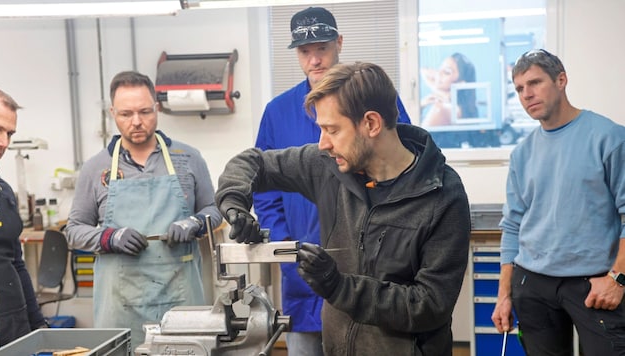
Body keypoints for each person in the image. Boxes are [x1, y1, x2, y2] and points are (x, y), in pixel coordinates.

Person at [216, 62, 471, 355]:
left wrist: (339, 287)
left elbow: (429, 305)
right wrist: (235, 202)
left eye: (332, 130)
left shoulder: (442, 196)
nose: (323, 144)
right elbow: (253, 163)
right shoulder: (330, 169)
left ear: (372, 124)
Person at [253, 7, 412, 355]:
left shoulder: (377, 101)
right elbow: (264, 192)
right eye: (304, 51)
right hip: (303, 269)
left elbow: (404, 171)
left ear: (339, 43)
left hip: (368, 268)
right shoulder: (277, 112)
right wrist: (286, 249)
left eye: (321, 48)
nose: (314, 60)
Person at [65, 71, 223, 348]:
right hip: (120, 307)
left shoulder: (188, 158)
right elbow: (74, 231)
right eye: (126, 114)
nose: (136, 122)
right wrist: (109, 238)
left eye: (145, 112)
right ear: (113, 113)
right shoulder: (94, 168)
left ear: (157, 109)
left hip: (181, 299)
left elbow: (214, 210)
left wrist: (195, 223)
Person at [491, 49, 625, 354]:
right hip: (533, 285)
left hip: (594, 285)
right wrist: (505, 294)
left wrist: (618, 279)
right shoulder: (522, 154)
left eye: (535, 83)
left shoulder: (609, 137)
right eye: (519, 89)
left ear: (561, 80)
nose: (527, 94)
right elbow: (512, 226)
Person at [0, 88, 47, 346]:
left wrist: (37, 322)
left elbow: (16, 262)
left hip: (13, 326)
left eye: (9, 133)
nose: (4, 142)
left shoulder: (2, 191)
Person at [421, 52, 477, 128]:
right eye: (439, 69)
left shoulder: (442, 109)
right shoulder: (460, 108)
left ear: (460, 83)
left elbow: (416, 137)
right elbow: (423, 71)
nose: (439, 74)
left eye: (446, 72)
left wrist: (420, 106)